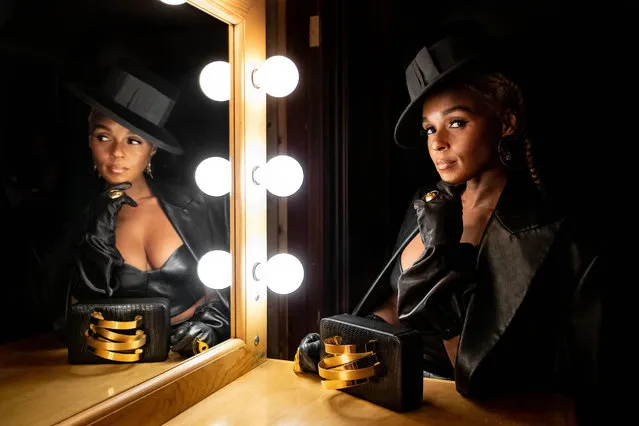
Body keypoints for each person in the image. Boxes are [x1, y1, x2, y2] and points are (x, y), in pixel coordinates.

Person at [297, 21, 608, 425]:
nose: (437, 142)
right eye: (429, 128)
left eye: (456, 122)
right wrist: (348, 343)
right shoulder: (426, 207)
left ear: (506, 123)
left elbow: (480, 374)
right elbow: (397, 303)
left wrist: (442, 259)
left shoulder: (556, 233)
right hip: (397, 399)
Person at [40, 62, 232, 357]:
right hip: (115, 363)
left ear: (152, 149)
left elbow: (226, 287)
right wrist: (97, 233)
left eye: (133, 140)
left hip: (193, 355)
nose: (117, 153)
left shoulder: (193, 204)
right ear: (89, 139)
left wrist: (212, 325)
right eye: (103, 137)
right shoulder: (78, 219)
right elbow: (73, 316)